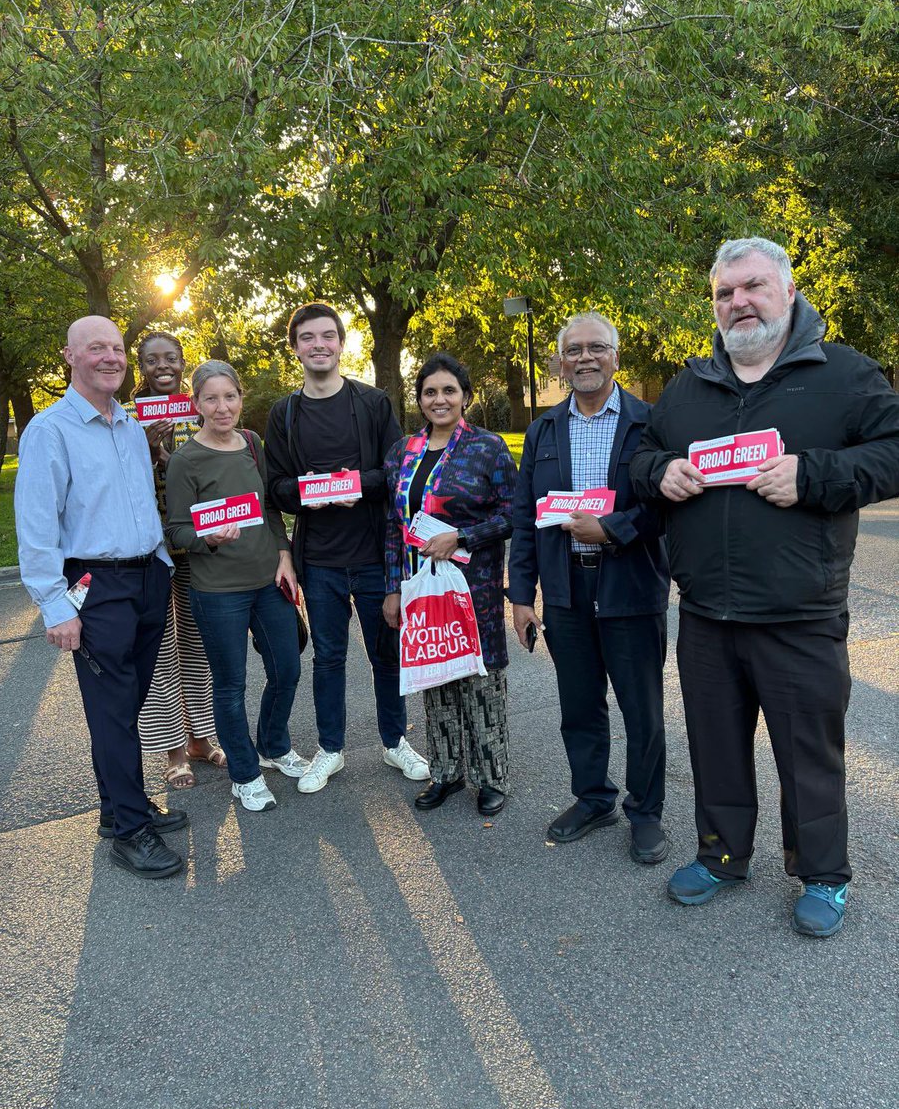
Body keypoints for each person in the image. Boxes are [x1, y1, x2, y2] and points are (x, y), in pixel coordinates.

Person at [630, 236, 899, 937]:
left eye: (751, 286)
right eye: (724, 293)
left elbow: (894, 452)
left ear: (786, 289)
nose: (738, 302)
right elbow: (640, 457)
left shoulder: (843, 375)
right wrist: (657, 471)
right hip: (708, 614)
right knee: (715, 746)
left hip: (799, 614)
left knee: (809, 756)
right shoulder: (690, 387)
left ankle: (824, 875)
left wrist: (813, 477)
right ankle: (721, 857)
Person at [15, 316, 185, 879]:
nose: (110, 357)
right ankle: (131, 831)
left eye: (116, 348)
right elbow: (37, 526)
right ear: (70, 356)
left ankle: (118, 809)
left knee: (127, 702)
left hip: (147, 577)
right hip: (96, 584)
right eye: (96, 349)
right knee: (112, 706)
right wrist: (54, 605)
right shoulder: (51, 430)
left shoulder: (133, 428)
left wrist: (159, 564)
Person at [508, 312, 671, 863]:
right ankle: (593, 797)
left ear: (616, 357)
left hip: (631, 588)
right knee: (579, 705)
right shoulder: (544, 430)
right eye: (573, 350)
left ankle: (645, 813)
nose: (583, 358)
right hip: (566, 592)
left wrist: (612, 529)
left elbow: (668, 506)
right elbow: (524, 517)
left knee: (641, 709)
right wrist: (520, 596)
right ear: (559, 361)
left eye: (595, 348)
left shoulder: (651, 423)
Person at [264, 302, 429, 792]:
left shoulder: (373, 403)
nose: (319, 345)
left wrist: (354, 484)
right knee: (328, 657)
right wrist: (309, 491)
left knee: (387, 655)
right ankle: (330, 749)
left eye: (327, 336)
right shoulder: (284, 413)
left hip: (375, 556)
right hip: (320, 561)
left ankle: (394, 740)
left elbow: (397, 470)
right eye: (308, 337)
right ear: (295, 348)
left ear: (341, 343)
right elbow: (275, 486)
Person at [164, 361, 303, 813]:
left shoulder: (253, 443)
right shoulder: (186, 460)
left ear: (240, 399)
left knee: (288, 668)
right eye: (211, 398)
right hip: (218, 591)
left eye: (230, 397)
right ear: (196, 405)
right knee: (230, 686)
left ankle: (274, 745)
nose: (222, 407)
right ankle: (245, 774)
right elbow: (177, 532)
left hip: (268, 580)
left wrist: (285, 556)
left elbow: (268, 509)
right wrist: (207, 537)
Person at [383, 354, 518, 815]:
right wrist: (392, 587)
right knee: (435, 677)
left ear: (465, 396)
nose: (439, 399)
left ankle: (490, 777)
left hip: (471, 587)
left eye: (448, 391)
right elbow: (391, 524)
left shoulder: (489, 447)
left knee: (480, 679)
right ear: (419, 399)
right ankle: (446, 773)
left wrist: (461, 536)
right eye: (429, 392)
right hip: (420, 587)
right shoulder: (403, 451)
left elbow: (514, 514)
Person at [124, 332, 223, 790]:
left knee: (199, 647)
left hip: (199, 548)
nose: (161, 366)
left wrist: (176, 461)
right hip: (150, 551)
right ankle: (174, 750)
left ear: (184, 362)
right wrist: (143, 452)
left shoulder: (201, 411)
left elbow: (217, 477)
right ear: (139, 366)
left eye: (170, 358)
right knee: (161, 651)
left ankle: (202, 736)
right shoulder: (125, 419)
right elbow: (117, 486)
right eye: (150, 360)